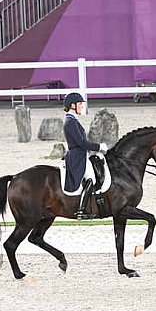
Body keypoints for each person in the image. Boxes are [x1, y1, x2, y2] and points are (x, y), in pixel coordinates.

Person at [62, 92, 107, 220]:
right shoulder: (70, 122)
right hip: (77, 156)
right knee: (91, 179)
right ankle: (81, 210)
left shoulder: (73, 120)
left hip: (81, 154)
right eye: (80, 104)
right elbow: (81, 143)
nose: (81, 106)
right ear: (72, 105)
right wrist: (99, 147)